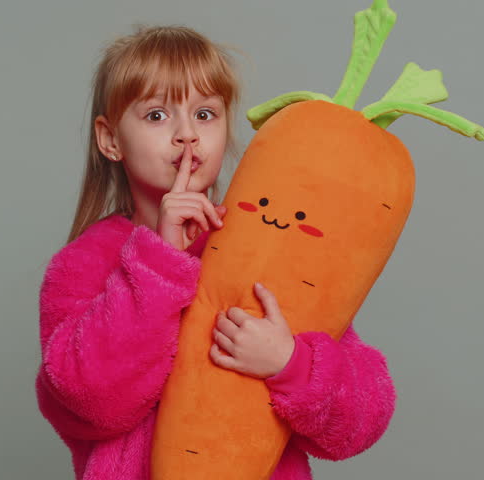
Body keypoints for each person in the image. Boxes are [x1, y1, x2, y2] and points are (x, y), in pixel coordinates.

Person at [35, 24, 396, 480]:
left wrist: (290, 364)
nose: (186, 135)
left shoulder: (272, 242)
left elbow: (362, 420)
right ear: (110, 140)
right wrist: (159, 262)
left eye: (205, 114)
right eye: (157, 116)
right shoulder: (82, 264)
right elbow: (88, 400)